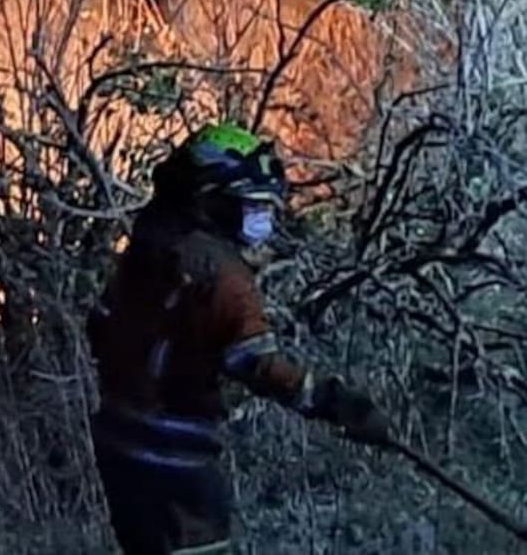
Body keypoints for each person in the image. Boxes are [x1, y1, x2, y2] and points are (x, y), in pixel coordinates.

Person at [87, 123, 391, 554]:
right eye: (255, 206)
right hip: (177, 463)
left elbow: (100, 323)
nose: (263, 220)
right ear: (215, 199)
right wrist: (336, 402)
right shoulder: (223, 276)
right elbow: (259, 367)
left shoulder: (148, 246)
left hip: (117, 447)